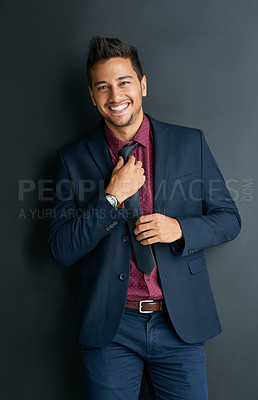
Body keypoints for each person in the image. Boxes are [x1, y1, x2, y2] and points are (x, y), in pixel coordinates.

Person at [48, 35, 241, 400]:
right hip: (111, 327)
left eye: (124, 82)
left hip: (179, 323)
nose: (115, 96)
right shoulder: (71, 159)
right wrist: (111, 197)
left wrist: (180, 228)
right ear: (92, 95)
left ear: (143, 85)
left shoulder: (190, 143)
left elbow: (229, 219)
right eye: (102, 86)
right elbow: (61, 248)